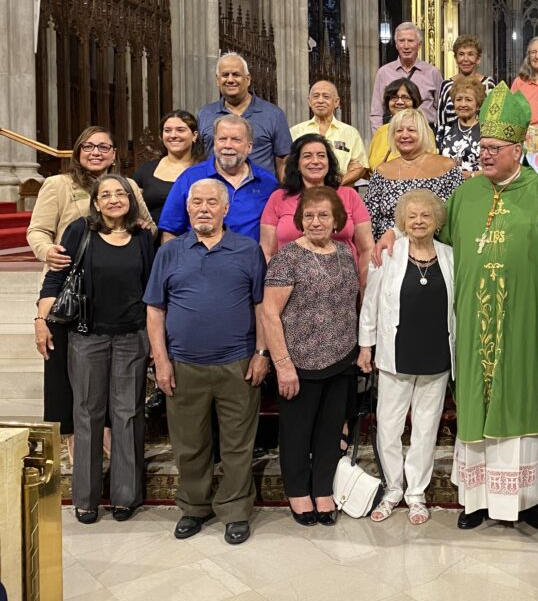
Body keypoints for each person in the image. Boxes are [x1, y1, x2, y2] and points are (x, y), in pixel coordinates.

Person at [373, 82, 538, 531]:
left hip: (526, 326)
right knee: (477, 407)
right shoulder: (467, 194)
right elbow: (430, 239)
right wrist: (393, 235)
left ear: (518, 149)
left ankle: (531, 502)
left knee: (524, 405)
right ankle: (476, 500)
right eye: (483, 146)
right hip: (475, 327)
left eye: (495, 148)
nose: (485, 154)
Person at [145, 178, 269, 546]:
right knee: (189, 444)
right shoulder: (169, 252)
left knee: (237, 445)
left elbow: (261, 307)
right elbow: (155, 310)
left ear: (225, 209)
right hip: (183, 365)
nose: (203, 208)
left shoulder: (247, 250)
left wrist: (262, 354)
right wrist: (161, 362)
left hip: (238, 364)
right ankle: (195, 507)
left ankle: (234, 511)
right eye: (196, 201)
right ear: (187, 207)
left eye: (211, 202)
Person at [35, 174, 154, 524]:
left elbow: (150, 284)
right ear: (96, 202)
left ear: (131, 200)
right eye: (107, 194)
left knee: (127, 414)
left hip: (132, 336)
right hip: (87, 337)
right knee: (87, 413)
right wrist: (41, 319)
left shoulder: (144, 236)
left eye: (122, 193)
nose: (115, 199)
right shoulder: (78, 231)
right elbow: (56, 277)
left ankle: (125, 495)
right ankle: (85, 498)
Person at [28, 126, 153, 444]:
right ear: (77, 151)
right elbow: (38, 230)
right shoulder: (58, 184)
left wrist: (138, 230)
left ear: (114, 154)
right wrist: (48, 252)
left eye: (104, 147)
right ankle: (74, 443)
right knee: (63, 376)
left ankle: (109, 440)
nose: (96, 152)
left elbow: (148, 227)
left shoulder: (129, 187)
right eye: (88, 146)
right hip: (67, 289)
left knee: (108, 374)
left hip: (112, 296)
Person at [261, 186, 360, 528]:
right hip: (299, 363)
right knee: (297, 432)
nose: (315, 222)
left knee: (330, 431)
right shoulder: (287, 257)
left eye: (323, 216)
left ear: (337, 221)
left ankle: (322, 489)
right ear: (300, 220)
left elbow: (351, 303)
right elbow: (270, 314)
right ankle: (299, 492)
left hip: (341, 359)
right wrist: (283, 364)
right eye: (308, 216)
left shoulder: (346, 253)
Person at [359, 189, 455, 525]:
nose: (418, 221)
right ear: (401, 221)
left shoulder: (449, 255)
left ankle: (416, 494)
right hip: (395, 352)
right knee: (388, 425)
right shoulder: (388, 253)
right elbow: (370, 302)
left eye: (425, 215)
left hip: (436, 352)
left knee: (426, 428)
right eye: (412, 215)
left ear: (436, 221)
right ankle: (392, 490)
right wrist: (366, 345)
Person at [259, 134, 372, 287]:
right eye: (307, 156)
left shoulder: (349, 195)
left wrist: (365, 289)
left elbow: (366, 249)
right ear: (297, 163)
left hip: (344, 289)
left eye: (321, 156)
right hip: (289, 289)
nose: (315, 161)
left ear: (329, 162)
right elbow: (267, 252)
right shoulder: (278, 198)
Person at [159, 115, 277, 243]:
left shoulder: (268, 183)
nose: (227, 145)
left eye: (236, 140)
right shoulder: (190, 177)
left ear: (249, 147)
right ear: (214, 143)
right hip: (199, 260)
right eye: (222, 139)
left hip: (248, 260)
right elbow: (170, 230)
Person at [365, 108, 462, 241]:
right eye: (399, 131)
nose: (404, 135)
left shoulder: (447, 168)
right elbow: (369, 222)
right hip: (391, 253)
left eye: (411, 130)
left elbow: (458, 217)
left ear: (423, 133)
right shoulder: (381, 172)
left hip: (437, 250)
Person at [197, 52, 291, 179]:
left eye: (236, 74)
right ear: (217, 80)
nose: (230, 80)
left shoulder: (273, 114)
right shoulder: (205, 114)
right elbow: (197, 156)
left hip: (260, 193)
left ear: (248, 79)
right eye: (225, 75)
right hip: (215, 192)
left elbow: (283, 161)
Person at [131, 110, 204, 229]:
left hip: (193, 240)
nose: (173, 135)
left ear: (194, 135)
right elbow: (130, 204)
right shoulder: (147, 169)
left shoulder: (205, 171)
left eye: (180, 130)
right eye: (167, 130)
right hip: (151, 240)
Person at [289, 81, 368, 186]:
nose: (320, 100)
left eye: (326, 96)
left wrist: (336, 185)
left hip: (341, 192)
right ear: (309, 101)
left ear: (336, 102)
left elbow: (361, 168)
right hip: (304, 193)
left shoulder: (350, 132)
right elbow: (289, 165)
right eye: (316, 96)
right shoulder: (296, 131)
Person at [370, 22, 442, 132]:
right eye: (402, 41)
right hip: (393, 134)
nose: (406, 46)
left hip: (425, 134)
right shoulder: (384, 73)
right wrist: (381, 138)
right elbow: (377, 113)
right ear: (396, 44)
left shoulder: (433, 73)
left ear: (419, 44)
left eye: (411, 41)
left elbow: (441, 110)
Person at [366, 79, 438, 171]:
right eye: (394, 97)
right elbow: (371, 165)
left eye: (405, 97)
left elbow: (430, 164)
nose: (399, 102)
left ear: (414, 101)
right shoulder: (381, 131)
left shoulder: (424, 130)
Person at [434, 35, 496, 132]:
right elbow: (441, 121)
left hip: (481, 142)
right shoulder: (446, 86)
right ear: (455, 58)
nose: (465, 59)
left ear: (478, 59)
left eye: (470, 54)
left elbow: (494, 120)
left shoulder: (489, 85)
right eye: (461, 54)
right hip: (451, 142)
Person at [435, 74, 485, 177]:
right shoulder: (443, 130)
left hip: (478, 185)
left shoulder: (486, 130)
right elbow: (435, 163)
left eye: (468, 100)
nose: (463, 104)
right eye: (458, 99)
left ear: (478, 104)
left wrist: (472, 175)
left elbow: (496, 167)